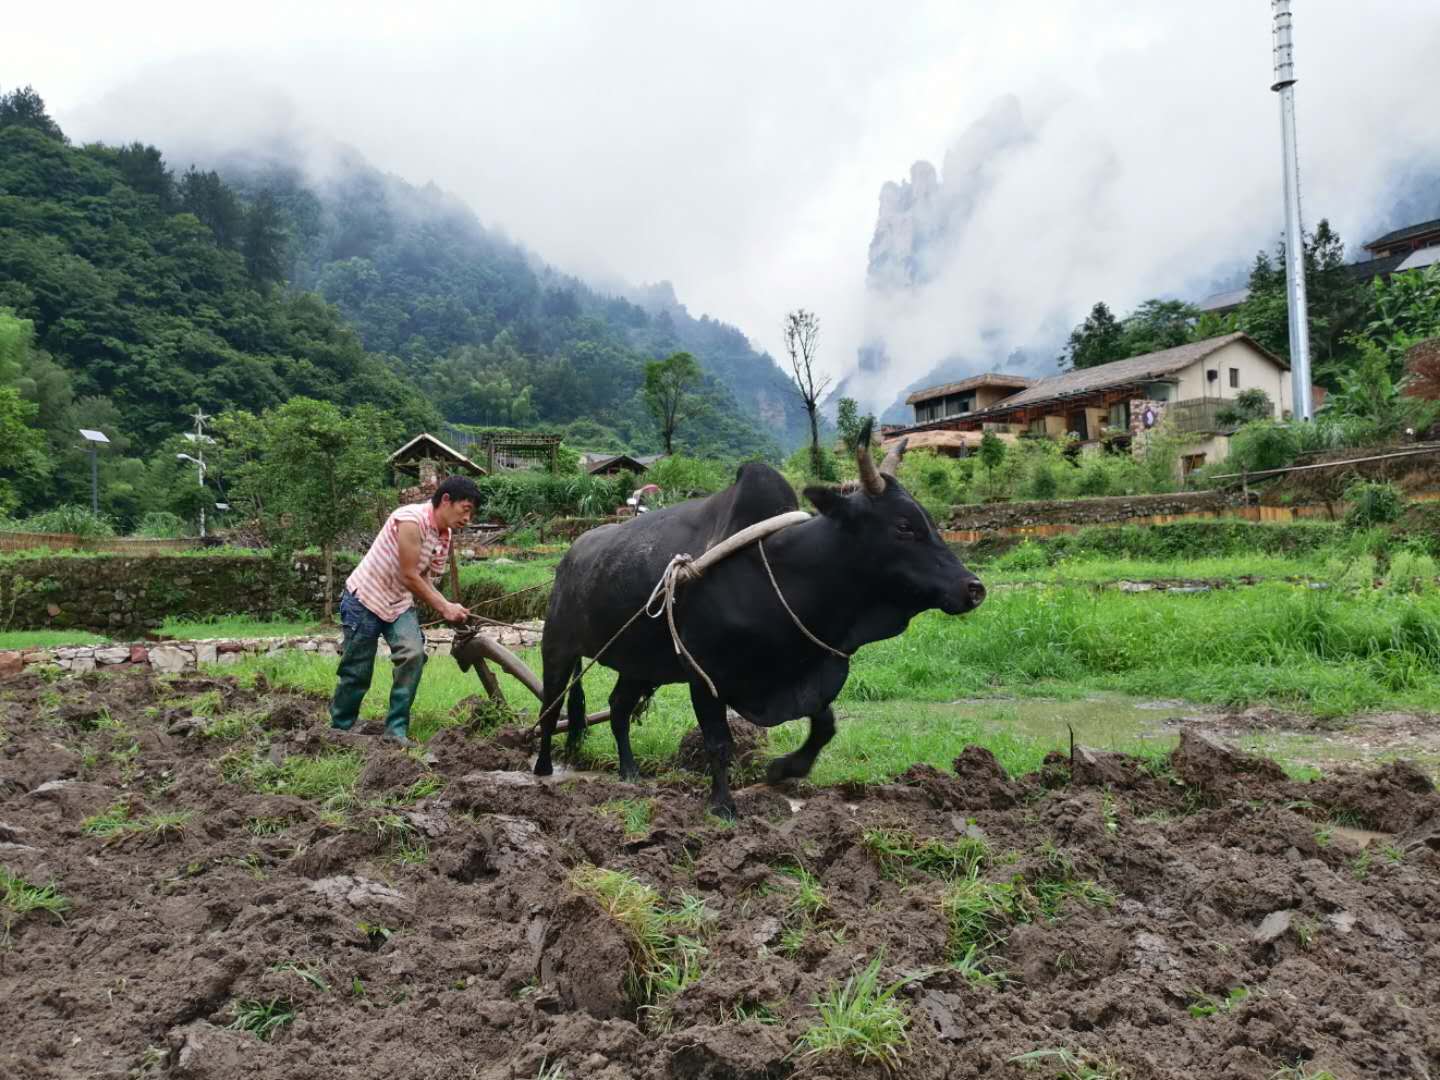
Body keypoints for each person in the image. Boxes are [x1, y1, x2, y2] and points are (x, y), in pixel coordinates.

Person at [329, 475, 481, 746]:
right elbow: (409, 575)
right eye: (466, 509)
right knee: (357, 669)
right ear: (446, 500)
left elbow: (425, 579)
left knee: (413, 655)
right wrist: (444, 607)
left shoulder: (444, 537)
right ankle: (340, 730)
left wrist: (449, 605)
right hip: (365, 598)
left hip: (398, 604)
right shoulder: (410, 520)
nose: (468, 518)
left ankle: (396, 731)